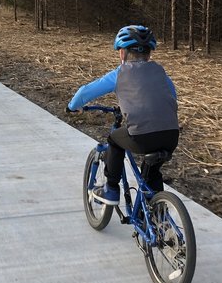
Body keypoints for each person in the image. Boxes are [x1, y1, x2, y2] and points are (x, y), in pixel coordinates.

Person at [67, 25, 179, 205]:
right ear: (149, 54)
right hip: (171, 135)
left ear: (122, 53)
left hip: (143, 136)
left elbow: (85, 92)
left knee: (114, 139)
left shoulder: (120, 73)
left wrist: (72, 106)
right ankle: (156, 216)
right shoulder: (161, 73)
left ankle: (110, 189)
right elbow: (172, 97)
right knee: (151, 172)